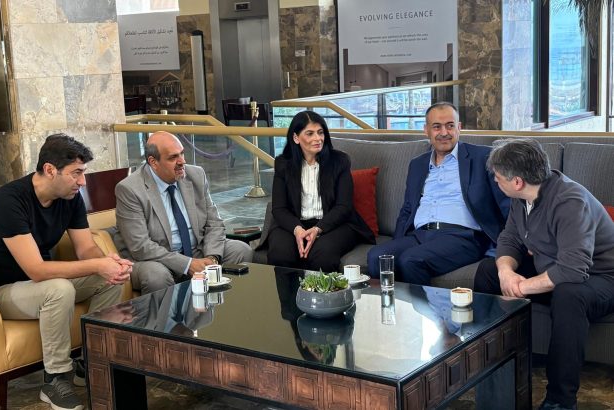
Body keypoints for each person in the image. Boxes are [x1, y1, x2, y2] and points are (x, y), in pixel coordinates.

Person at [0, 134, 132, 410]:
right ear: (49, 170)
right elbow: (36, 270)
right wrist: (97, 265)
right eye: (76, 173)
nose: (82, 182)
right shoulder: (8, 202)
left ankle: (92, 361)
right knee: (58, 289)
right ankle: (55, 379)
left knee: (110, 279)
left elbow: (86, 248)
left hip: (40, 284)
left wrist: (108, 263)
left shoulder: (69, 197)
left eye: (83, 172)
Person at [474, 139, 614, 410]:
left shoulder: (570, 201)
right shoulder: (522, 197)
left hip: (602, 277)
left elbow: (574, 269)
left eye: (498, 177)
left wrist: (522, 287)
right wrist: (506, 273)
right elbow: (510, 239)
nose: (495, 180)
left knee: (569, 294)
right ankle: (493, 367)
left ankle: (560, 401)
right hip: (554, 268)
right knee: (489, 271)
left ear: (517, 181)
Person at [366, 102, 509, 284]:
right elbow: (407, 209)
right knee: (377, 256)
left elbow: (507, 203)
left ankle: (422, 305)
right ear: (426, 130)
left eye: (450, 126)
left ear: (459, 128)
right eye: (436, 127)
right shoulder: (417, 164)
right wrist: (397, 244)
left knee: (411, 260)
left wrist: (512, 245)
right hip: (420, 235)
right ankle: (390, 303)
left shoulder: (483, 157)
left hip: (462, 237)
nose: (444, 132)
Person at [109, 131, 253, 295]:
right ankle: (171, 313)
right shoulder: (130, 189)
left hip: (196, 250)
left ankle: (225, 307)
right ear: (153, 162)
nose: (182, 161)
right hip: (155, 259)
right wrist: (187, 264)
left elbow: (214, 223)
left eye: (182, 153)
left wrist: (211, 258)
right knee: (156, 276)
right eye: (173, 157)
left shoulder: (196, 175)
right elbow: (140, 246)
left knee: (241, 250)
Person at [262, 111, 375, 272]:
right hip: (295, 223)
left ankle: (321, 291)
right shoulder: (283, 164)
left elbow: (344, 206)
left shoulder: (339, 161)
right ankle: (289, 290)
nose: (318, 138)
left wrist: (317, 229)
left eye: (320, 132)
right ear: (296, 138)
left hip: (333, 224)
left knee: (322, 256)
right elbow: (279, 208)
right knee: (281, 254)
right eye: (310, 133)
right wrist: (298, 230)